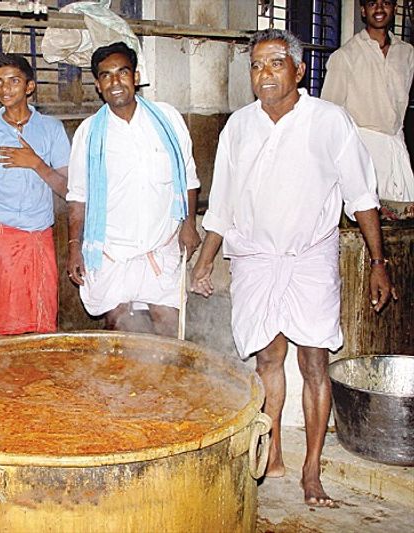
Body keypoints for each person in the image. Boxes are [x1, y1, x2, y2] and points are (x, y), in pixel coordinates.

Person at [190, 29, 396, 507]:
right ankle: (275, 449)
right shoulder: (239, 126)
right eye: (256, 66)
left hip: (309, 258)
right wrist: (204, 258)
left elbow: (362, 197)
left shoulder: (328, 121)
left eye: (275, 64)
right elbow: (220, 201)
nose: (264, 75)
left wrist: (378, 263)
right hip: (256, 257)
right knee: (267, 359)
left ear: (300, 71)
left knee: (314, 361)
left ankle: (312, 469)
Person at [66, 42, 200, 334]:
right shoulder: (89, 133)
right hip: (112, 251)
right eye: (106, 75)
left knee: (168, 328)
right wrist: (74, 247)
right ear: (98, 85)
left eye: (122, 72)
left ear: (135, 77)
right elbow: (78, 197)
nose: (115, 82)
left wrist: (189, 224)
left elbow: (188, 178)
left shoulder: (168, 119)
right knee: (118, 329)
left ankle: (167, 381)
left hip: (161, 244)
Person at [0, 54, 70, 335]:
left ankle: (36, 380)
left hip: (38, 240)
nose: (5, 89)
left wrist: (36, 163)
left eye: (14, 81)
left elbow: (67, 189)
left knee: (39, 327)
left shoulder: (51, 129)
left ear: (30, 86)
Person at [321, 0, 414, 201]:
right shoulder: (345, 55)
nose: (379, 9)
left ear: (395, 9)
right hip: (362, 151)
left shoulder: (407, 53)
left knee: (402, 221)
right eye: (372, 3)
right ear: (363, 11)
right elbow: (329, 114)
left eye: (386, 3)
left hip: (396, 148)